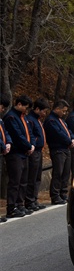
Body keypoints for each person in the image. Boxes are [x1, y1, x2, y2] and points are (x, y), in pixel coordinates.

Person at [2, 95, 35, 218]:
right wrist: (27, 146)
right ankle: (11, 207)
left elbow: (29, 133)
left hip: (25, 153)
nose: (26, 111)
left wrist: (32, 144)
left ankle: (20, 204)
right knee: (15, 181)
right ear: (19, 104)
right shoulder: (11, 117)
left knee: (23, 181)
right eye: (25, 107)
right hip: (15, 153)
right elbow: (17, 135)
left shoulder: (23, 117)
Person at [44, 99, 74, 205]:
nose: (64, 113)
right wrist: (69, 141)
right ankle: (55, 195)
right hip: (58, 149)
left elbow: (68, 130)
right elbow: (59, 134)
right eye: (63, 110)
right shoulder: (51, 120)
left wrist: (73, 138)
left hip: (66, 149)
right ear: (57, 109)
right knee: (58, 172)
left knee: (66, 173)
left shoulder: (61, 120)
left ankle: (63, 192)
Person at [25, 98, 50, 211]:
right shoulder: (30, 119)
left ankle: (34, 199)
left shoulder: (38, 120)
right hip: (34, 151)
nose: (44, 114)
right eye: (43, 111)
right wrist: (34, 143)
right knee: (32, 176)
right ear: (37, 109)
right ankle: (29, 200)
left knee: (37, 176)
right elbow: (30, 135)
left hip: (39, 150)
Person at [0, 94, 13, 222]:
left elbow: (6, 132)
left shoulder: (1, 120)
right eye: (2, 106)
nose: (3, 109)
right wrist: (3, 145)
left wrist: (8, 142)